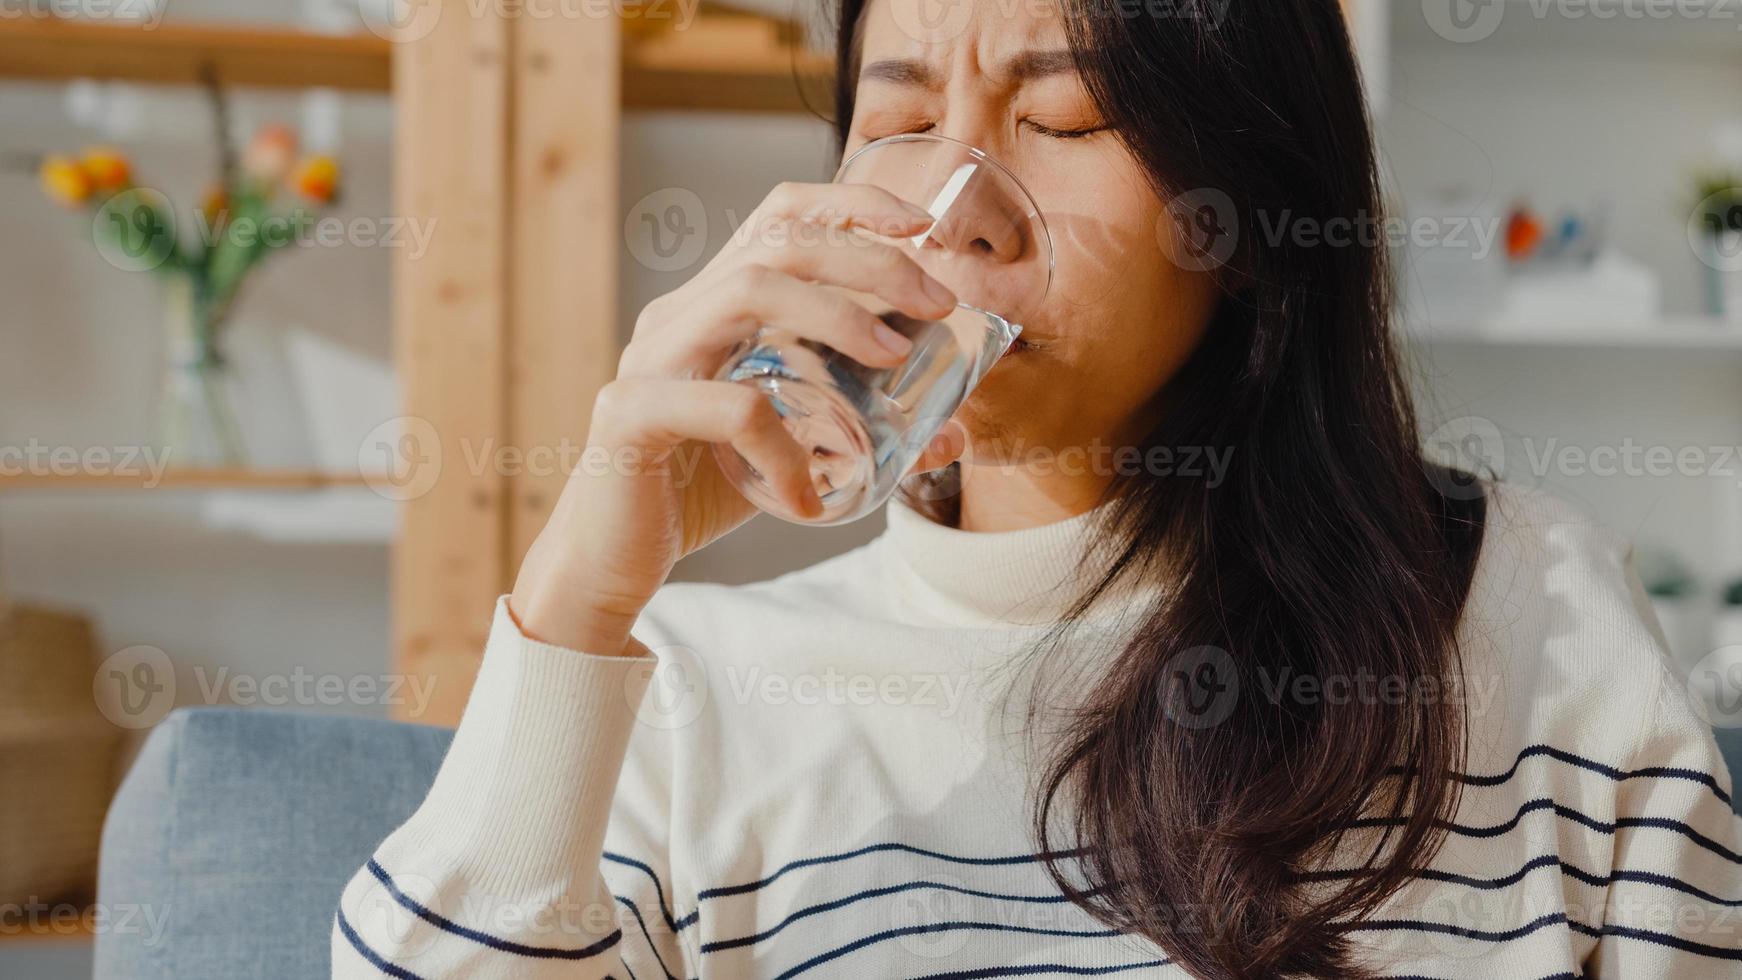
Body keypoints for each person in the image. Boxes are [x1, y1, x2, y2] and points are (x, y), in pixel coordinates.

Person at [333, 0, 1742, 976]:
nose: (958, 205)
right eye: (894, 124)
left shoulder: (1520, 608)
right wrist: (579, 598)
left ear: (1246, 215)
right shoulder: (697, 685)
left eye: (1062, 119)